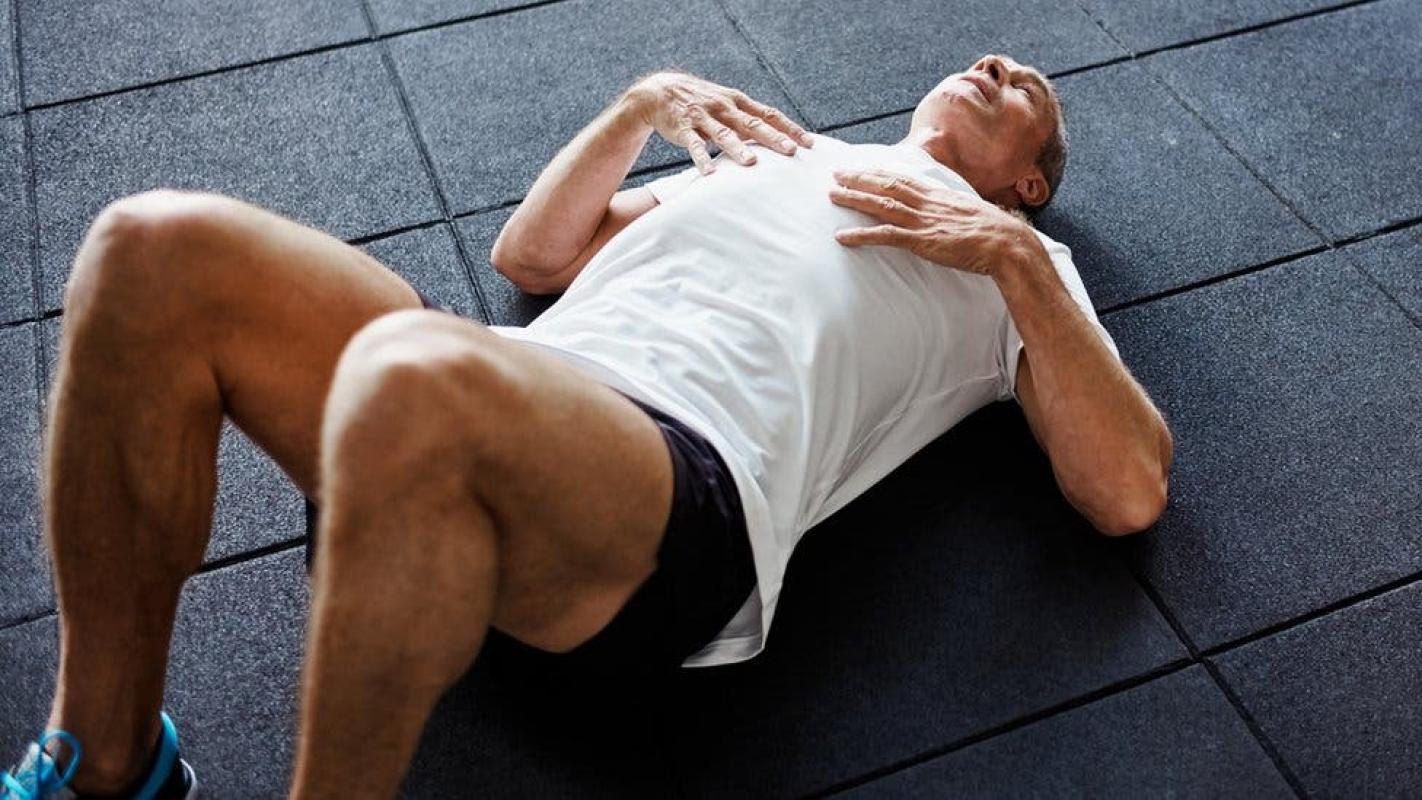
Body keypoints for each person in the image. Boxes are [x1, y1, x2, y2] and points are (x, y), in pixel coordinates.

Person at [4, 53, 1173, 799]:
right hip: (504, 386)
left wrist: (1014, 259)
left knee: (410, 375)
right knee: (146, 248)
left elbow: (1127, 488)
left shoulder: (1020, 265)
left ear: (1030, 182)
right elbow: (534, 256)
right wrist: (638, 106)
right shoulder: (784, 151)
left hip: (678, 477)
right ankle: (105, 762)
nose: (993, 62)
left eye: (1025, 87)